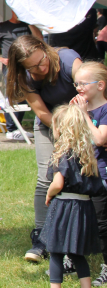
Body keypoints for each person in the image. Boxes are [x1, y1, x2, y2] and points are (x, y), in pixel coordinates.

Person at [6, 35, 82, 263]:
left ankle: (83, 236)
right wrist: (63, 133)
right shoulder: (25, 77)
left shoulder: (68, 60)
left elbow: (89, 92)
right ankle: (41, 239)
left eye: (41, 61)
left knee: (83, 179)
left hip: (84, 121)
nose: (41, 67)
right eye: (33, 67)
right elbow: (41, 112)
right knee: (45, 178)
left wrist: (80, 132)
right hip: (51, 124)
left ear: (43, 48)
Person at [39, 103, 103, 288]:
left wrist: (49, 194)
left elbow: (58, 183)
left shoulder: (62, 153)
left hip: (63, 207)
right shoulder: (87, 153)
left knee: (56, 251)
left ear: (61, 128)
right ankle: (86, 286)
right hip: (84, 207)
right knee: (77, 253)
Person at [0, 13, 42, 140]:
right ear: (13, 11)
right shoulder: (3, 26)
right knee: (13, 95)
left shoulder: (28, 26)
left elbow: (39, 39)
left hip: (27, 67)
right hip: (11, 69)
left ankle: (17, 128)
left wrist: (30, 22)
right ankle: (11, 129)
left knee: (26, 95)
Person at [74, 62, 107, 286]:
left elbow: (100, 139)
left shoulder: (104, 110)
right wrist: (73, 115)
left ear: (101, 85)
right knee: (77, 220)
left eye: (84, 83)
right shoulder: (79, 107)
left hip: (101, 176)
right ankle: (71, 260)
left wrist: (85, 116)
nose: (78, 88)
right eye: (76, 83)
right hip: (80, 174)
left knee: (102, 225)